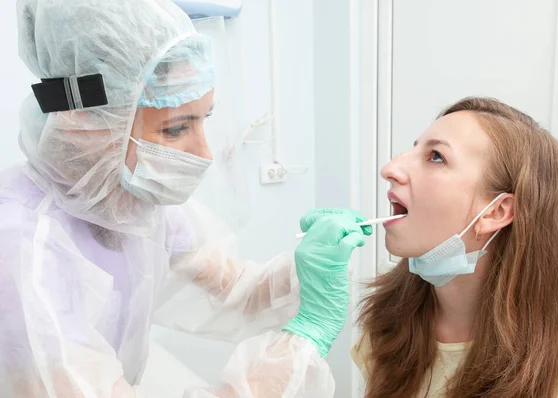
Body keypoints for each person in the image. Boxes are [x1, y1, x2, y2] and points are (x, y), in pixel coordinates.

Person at [0, 0, 370, 396]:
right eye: (176, 129)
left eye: (203, 119)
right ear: (85, 124)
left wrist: (308, 271)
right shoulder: (24, 256)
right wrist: (304, 337)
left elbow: (235, 291)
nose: (204, 154)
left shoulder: (130, 201)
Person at [351, 97, 558, 397]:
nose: (390, 168)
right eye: (414, 148)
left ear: (496, 212)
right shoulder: (387, 322)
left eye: (436, 157)